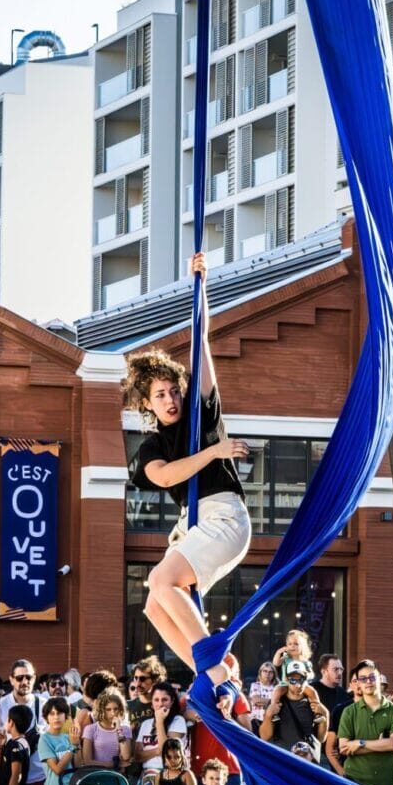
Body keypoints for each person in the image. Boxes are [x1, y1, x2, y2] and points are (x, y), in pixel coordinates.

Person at [124, 256, 251, 687]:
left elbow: (203, 343)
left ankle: (213, 663)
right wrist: (214, 451)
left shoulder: (202, 413)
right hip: (196, 524)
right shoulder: (153, 446)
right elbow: (165, 477)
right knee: (155, 604)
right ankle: (214, 670)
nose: (171, 399)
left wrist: (200, 288)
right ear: (147, 404)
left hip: (225, 517)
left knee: (162, 579)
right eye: (161, 395)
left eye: (174, 390)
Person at [0, 660, 50, 785]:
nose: (24, 681)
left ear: (34, 679)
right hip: (11, 778)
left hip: (37, 776)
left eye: (28, 677)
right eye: (19, 677)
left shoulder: (44, 704)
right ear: (11, 679)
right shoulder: (2, 704)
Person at [337, 661, 393, 785]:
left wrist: (359, 743)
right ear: (358, 684)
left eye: (372, 677)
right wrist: (381, 745)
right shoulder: (349, 712)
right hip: (353, 781)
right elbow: (344, 748)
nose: (368, 681)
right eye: (363, 678)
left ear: (380, 679)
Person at [258, 661, 327, 762]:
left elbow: (321, 738)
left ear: (306, 679)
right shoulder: (277, 702)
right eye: (293, 680)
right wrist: (269, 715)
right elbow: (264, 736)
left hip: (307, 762)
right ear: (286, 680)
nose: (298, 685)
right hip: (283, 760)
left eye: (301, 679)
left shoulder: (313, 703)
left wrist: (324, 716)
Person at [81, 688, 133, 771]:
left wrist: (119, 729)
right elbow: (87, 761)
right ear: (101, 710)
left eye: (115, 709)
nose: (113, 713)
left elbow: (126, 756)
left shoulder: (125, 729)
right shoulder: (90, 729)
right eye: (108, 709)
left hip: (118, 776)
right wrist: (114, 764)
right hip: (97, 775)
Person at [127, 658, 167, 735]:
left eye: (142, 679)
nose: (137, 683)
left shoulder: (163, 705)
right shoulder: (126, 706)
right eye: (136, 678)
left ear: (155, 680)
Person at [247, 664, 277, 729]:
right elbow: (256, 700)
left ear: (274, 674)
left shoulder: (276, 688)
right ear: (260, 673)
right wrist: (272, 702)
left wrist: (263, 701)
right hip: (256, 720)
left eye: (270, 672)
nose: (267, 674)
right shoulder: (255, 685)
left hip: (271, 721)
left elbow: (279, 704)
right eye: (265, 671)